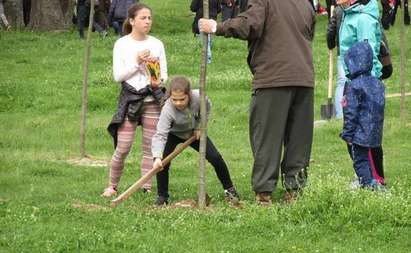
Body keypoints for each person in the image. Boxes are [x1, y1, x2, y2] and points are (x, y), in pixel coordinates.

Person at [199, 1, 315, 205]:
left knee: (267, 138)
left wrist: (216, 27)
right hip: (304, 77)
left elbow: (249, 24)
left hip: (273, 77)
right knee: (299, 139)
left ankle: (264, 194)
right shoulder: (306, 2)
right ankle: (295, 191)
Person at [102, 3, 168, 197]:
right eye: (143, 18)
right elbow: (118, 76)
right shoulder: (121, 44)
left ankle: (145, 187)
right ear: (131, 21)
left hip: (152, 99)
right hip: (130, 98)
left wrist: (156, 78)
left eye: (149, 18)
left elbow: (163, 74)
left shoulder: (157, 43)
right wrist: (137, 62)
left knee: (150, 147)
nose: (147, 21)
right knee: (123, 146)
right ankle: (112, 186)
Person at [151, 76, 240, 206]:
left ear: (189, 94)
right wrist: (157, 157)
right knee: (162, 164)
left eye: (182, 99)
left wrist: (200, 126)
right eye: (174, 99)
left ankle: (229, 190)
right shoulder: (168, 109)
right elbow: (160, 134)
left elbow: (207, 107)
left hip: (194, 133)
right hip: (173, 133)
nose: (178, 103)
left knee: (215, 157)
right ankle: (162, 196)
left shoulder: (199, 97)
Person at [338, 0, 386, 186]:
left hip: (365, 83)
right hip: (353, 79)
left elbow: (368, 54)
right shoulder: (349, 15)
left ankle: (375, 179)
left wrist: (368, 88)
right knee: (356, 134)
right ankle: (364, 177)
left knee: (365, 133)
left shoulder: (363, 19)